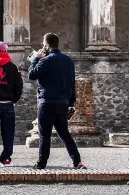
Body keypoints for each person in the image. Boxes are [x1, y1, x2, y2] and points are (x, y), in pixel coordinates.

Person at [27, 33, 86, 170]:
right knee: (65, 134)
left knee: (44, 135)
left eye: (43, 43)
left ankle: (41, 164)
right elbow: (72, 84)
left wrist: (36, 58)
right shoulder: (68, 61)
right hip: (62, 103)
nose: (42, 46)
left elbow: (31, 74)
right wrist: (71, 103)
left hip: (47, 103)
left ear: (47, 45)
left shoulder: (44, 61)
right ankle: (77, 162)